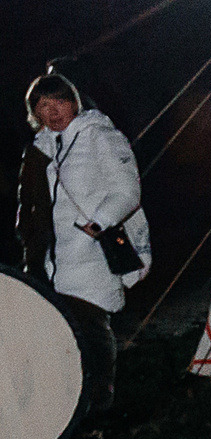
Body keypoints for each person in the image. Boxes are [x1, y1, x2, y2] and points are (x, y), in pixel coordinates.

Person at [23, 68, 149, 410]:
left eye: (59, 101)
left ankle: (100, 408)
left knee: (92, 327)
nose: (53, 111)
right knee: (66, 333)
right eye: (43, 105)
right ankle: (71, 409)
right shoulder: (47, 147)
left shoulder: (99, 135)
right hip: (58, 258)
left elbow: (127, 191)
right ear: (34, 113)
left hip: (92, 252)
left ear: (74, 102)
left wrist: (95, 226)